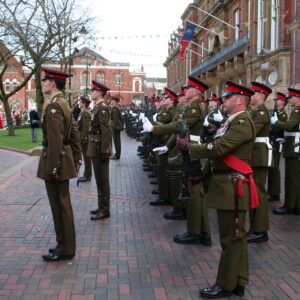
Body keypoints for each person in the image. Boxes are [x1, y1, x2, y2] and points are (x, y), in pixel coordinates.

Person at [177, 81, 256, 298]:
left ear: (240, 99)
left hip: (233, 187)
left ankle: (225, 284)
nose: (223, 100)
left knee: (230, 238)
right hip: (227, 184)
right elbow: (220, 154)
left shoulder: (242, 121)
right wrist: (203, 173)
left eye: (227, 97)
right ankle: (238, 280)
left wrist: (190, 148)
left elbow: (219, 148)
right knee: (235, 236)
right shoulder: (232, 122)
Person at [37, 68, 82, 261]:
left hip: (56, 161)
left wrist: (52, 168)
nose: (43, 83)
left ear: (53, 83)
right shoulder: (63, 103)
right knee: (63, 205)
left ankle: (65, 247)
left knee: (60, 206)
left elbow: (56, 139)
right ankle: (64, 245)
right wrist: (77, 157)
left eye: (45, 80)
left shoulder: (54, 106)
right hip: (63, 160)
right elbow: (74, 134)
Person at [247, 82, 273, 244]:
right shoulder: (255, 111)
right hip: (255, 154)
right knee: (254, 192)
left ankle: (260, 230)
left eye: (253, 93)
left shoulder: (262, 112)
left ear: (262, 96)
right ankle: (256, 228)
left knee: (259, 193)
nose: (250, 96)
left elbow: (250, 131)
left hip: (259, 155)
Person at [272, 87, 300, 215]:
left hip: (294, 147)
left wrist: (276, 122)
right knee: (294, 178)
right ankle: (295, 205)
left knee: (291, 178)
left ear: (297, 98)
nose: (288, 100)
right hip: (293, 145)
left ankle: (289, 206)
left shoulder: (297, 110)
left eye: (290, 97)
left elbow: (289, 126)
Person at [87, 80, 112, 220]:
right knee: (99, 179)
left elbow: (106, 131)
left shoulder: (102, 108)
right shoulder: (97, 107)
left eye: (93, 91)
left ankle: (105, 209)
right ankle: (101, 206)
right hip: (95, 146)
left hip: (99, 148)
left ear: (99, 93)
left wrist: (105, 150)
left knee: (103, 180)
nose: (91, 93)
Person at [267, 92, 288, 202]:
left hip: (277, 143)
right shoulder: (277, 113)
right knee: (271, 168)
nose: (276, 102)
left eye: (278, 100)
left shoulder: (282, 114)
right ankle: (271, 192)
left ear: (283, 102)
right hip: (272, 142)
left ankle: (275, 193)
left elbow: (280, 129)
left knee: (275, 169)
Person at [77, 96, 92, 183]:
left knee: (87, 158)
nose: (79, 104)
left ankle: (87, 176)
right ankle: (87, 175)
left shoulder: (85, 113)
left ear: (84, 104)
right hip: (82, 138)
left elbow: (86, 127)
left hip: (84, 139)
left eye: (81, 102)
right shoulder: (83, 112)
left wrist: (85, 138)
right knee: (86, 157)